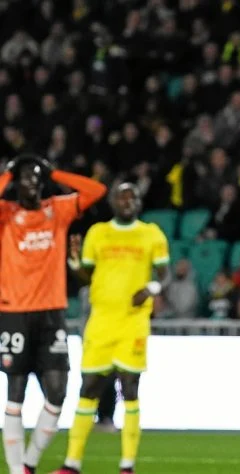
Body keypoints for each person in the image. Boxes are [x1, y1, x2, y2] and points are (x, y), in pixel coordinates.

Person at [50, 183, 171, 474]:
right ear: (113, 203)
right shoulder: (98, 232)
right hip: (101, 322)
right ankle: (71, 463)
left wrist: (151, 288)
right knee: (88, 388)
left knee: (129, 388)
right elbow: (86, 277)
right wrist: (74, 263)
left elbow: (165, 274)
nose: (127, 202)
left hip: (132, 322)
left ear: (139, 203)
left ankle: (127, 465)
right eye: (122, 197)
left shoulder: (151, 233)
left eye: (132, 197)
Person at [0, 154, 107, 474]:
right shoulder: (6, 214)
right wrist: (7, 174)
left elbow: (97, 191)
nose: (32, 183)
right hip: (14, 312)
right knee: (15, 392)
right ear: (17, 185)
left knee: (58, 392)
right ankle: (18, 470)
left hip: (51, 314)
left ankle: (29, 463)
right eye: (25, 178)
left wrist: (56, 173)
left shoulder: (56, 210)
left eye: (37, 177)